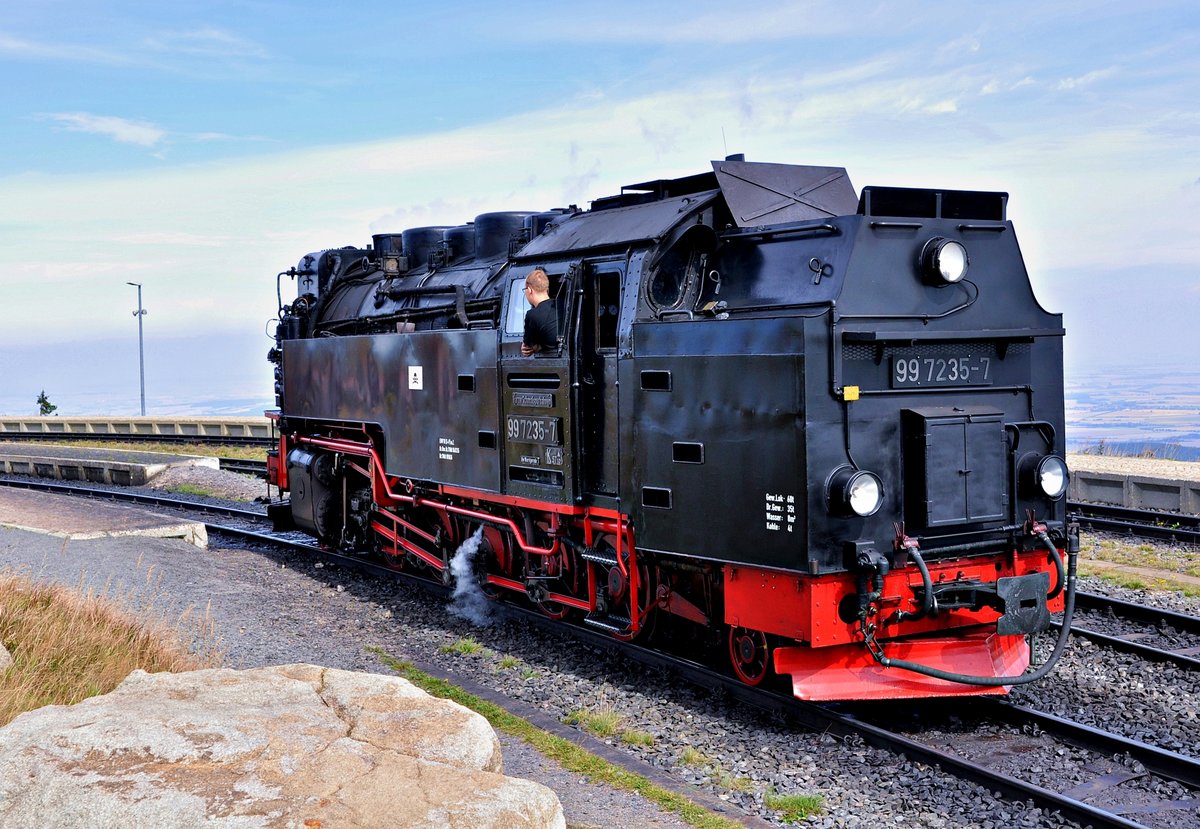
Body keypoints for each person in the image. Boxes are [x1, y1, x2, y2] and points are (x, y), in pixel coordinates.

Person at [521, 268, 558, 356]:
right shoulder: (561, 305)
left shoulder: (532, 315)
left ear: (530, 290)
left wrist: (537, 347)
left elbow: (528, 347)